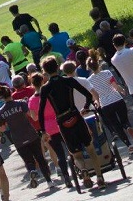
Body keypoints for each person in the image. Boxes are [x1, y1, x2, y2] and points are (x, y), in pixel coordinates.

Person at [38, 58, 107, 190]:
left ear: (45, 72)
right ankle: (99, 177)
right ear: (58, 67)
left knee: (76, 154)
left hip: (63, 122)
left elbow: (41, 112)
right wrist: (86, 107)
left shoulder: (45, 88)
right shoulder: (69, 80)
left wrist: (43, 131)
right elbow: (88, 94)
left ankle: (84, 171)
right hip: (75, 116)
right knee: (90, 149)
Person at [0, 85, 56, 190]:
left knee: (28, 160)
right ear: (10, 93)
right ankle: (49, 181)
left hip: (18, 139)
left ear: (2, 97)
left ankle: (32, 170)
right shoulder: (21, 103)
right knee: (40, 158)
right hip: (31, 134)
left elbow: (3, 128)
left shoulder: (1, 111)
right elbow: (32, 116)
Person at [86, 57, 133, 157]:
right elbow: (115, 86)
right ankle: (127, 127)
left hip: (105, 105)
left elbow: (94, 95)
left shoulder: (89, 80)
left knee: (116, 125)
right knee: (124, 120)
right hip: (117, 99)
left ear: (89, 68)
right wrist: (122, 90)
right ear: (98, 64)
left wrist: (97, 102)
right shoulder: (107, 73)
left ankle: (129, 146)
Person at [28, 73, 68, 183]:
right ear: (42, 81)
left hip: (47, 127)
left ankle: (60, 169)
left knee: (54, 150)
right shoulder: (49, 93)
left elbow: (34, 118)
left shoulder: (32, 100)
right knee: (69, 147)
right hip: (59, 122)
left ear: (32, 84)